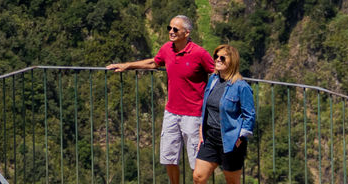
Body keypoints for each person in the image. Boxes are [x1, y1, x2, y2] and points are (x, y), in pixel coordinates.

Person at [106, 16, 216, 184]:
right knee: (169, 157)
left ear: (187, 33)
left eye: (175, 29)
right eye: (169, 28)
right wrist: (127, 65)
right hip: (171, 112)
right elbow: (154, 63)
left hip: (193, 115)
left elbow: (216, 71)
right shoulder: (167, 49)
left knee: (196, 161)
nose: (171, 32)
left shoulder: (199, 53)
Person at [193, 44, 255, 184]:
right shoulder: (213, 80)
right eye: (216, 57)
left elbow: (249, 115)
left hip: (230, 140)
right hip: (210, 138)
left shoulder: (241, 86)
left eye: (222, 57)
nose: (217, 60)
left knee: (232, 181)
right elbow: (206, 107)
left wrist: (241, 136)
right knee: (198, 176)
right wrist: (201, 131)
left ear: (232, 61)